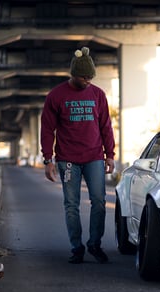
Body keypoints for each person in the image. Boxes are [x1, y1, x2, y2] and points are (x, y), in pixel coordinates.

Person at [40, 46, 115, 264]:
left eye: (91, 77)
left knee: (99, 201)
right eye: (84, 77)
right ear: (74, 74)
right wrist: (48, 159)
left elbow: (106, 127)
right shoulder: (56, 96)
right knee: (71, 204)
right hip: (68, 160)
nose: (88, 81)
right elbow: (47, 129)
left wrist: (110, 155)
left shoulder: (98, 95)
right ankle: (77, 247)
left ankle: (95, 244)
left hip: (94, 158)